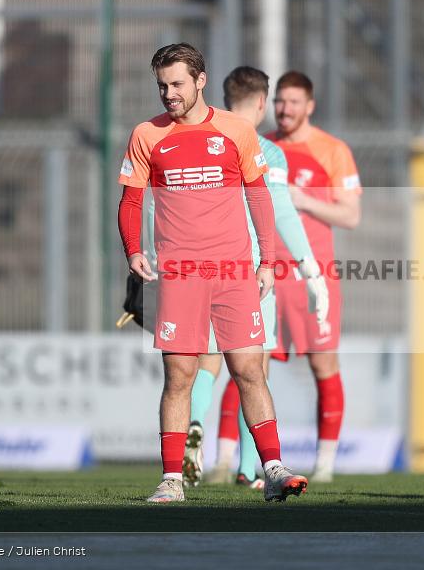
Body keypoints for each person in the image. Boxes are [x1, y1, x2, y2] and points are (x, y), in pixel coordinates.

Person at [117, 43, 307, 503]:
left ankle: (272, 469)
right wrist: (133, 251)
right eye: (162, 86)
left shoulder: (237, 130)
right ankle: (171, 479)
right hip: (179, 275)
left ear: (200, 81)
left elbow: (259, 195)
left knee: (249, 370)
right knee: (180, 375)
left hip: (234, 272)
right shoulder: (146, 134)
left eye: (177, 84)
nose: (169, 94)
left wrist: (267, 260)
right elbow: (131, 200)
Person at [181, 66, 329, 490]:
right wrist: (311, 268)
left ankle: (194, 426)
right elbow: (281, 210)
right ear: (262, 102)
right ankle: (250, 470)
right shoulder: (267, 150)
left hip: (199, 267)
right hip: (249, 273)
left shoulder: (197, 141)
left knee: (204, 364)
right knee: (253, 371)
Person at [266, 71, 362, 483]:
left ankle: (324, 464)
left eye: (293, 102)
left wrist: (303, 200)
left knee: (324, 364)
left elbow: (351, 215)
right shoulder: (263, 148)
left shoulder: (332, 150)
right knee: (249, 365)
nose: (284, 109)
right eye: (279, 101)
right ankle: (238, 464)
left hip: (313, 276)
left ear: (310, 106)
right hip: (268, 275)